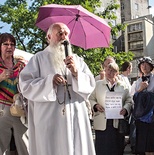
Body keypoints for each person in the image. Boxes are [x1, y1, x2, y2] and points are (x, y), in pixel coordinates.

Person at [19, 23, 96, 155]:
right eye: (59, 33)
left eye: (66, 34)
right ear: (49, 37)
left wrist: (76, 73)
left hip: (75, 114)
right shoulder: (39, 58)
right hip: (50, 117)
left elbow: (90, 84)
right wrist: (49, 81)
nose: (64, 37)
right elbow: (25, 84)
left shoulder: (77, 60)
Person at [89, 62, 132, 155]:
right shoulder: (98, 84)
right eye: (108, 69)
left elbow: (129, 100)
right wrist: (96, 105)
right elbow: (91, 99)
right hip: (102, 122)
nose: (109, 72)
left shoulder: (123, 86)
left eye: (112, 70)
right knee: (102, 149)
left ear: (117, 73)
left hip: (117, 123)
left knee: (117, 149)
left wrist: (125, 108)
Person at [0, 33, 28, 155]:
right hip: (1, 110)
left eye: (12, 44)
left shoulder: (21, 64)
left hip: (19, 109)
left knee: (25, 145)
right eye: (5, 44)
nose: (9, 47)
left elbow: (30, 81)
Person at [134, 57, 154, 155]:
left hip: (151, 110)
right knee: (142, 136)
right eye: (142, 65)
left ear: (151, 66)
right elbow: (134, 96)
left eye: (146, 64)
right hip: (140, 111)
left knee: (151, 137)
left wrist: (147, 96)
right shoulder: (138, 81)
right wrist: (141, 89)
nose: (144, 66)